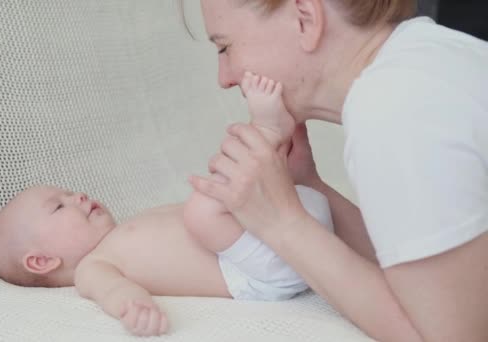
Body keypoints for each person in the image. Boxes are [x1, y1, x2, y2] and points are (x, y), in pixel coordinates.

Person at [189, 0, 488, 341]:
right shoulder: (432, 54)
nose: (223, 79)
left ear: (305, 19)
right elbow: (432, 275)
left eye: (225, 47)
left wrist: (282, 223)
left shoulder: (393, 110)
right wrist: (311, 187)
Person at [0, 78, 334, 337]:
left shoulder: (125, 232)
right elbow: (113, 291)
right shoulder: (94, 266)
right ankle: (268, 132)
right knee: (204, 206)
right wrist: (134, 307)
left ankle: (277, 158)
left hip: (282, 233)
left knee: (220, 203)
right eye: (58, 207)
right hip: (257, 272)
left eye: (69, 192)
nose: (76, 197)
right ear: (43, 261)